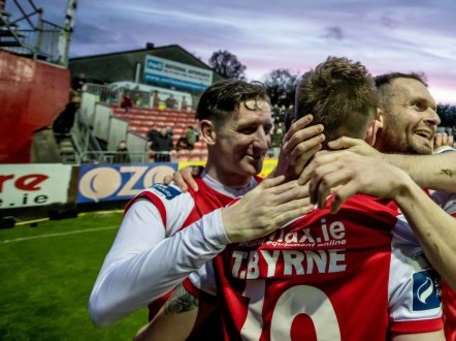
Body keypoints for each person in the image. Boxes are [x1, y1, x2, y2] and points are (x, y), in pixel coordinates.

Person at [163, 71, 456, 340]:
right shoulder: (387, 239)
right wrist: (201, 178)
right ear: (376, 120)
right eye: (418, 106)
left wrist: (385, 167)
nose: (435, 117)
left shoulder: (444, 176)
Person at [89, 80, 321, 328]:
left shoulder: (276, 194)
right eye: (248, 129)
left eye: (267, 128)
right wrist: (220, 227)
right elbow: (103, 305)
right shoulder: (168, 201)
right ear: (209, 132)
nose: (263, 143)